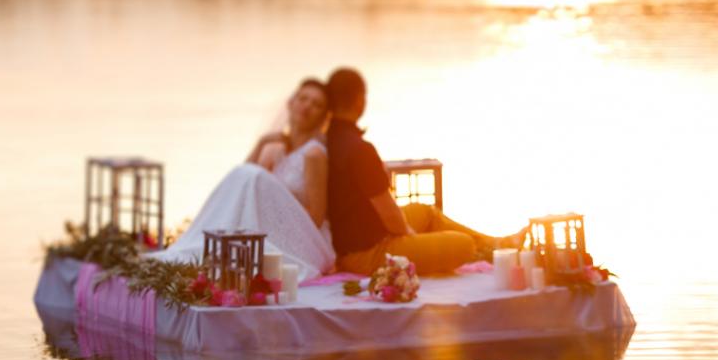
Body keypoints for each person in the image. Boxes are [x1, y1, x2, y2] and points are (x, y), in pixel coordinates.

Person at [324, 67, 523, 276]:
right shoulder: (360, 150)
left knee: (426, 212)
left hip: (364, 237)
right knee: (464, 245)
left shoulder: (328, 141)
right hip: (370, 253)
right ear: (359, 100)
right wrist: (409, 235)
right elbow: (391, 217)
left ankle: (496, 244)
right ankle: (490, 249)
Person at [150, 78, 335, 280]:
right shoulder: (279, 150)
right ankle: (201, 242)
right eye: (303, 98)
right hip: (275, 228)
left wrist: (278, 217)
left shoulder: (313, 154)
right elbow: (242, 184)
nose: (307, 106)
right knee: (247, 174)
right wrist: (262, 143)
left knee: (254, 175)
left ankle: (211, 244)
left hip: (305, 240)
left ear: (323, 117)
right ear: (291, 102)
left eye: (316, 105)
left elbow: (316, 217)